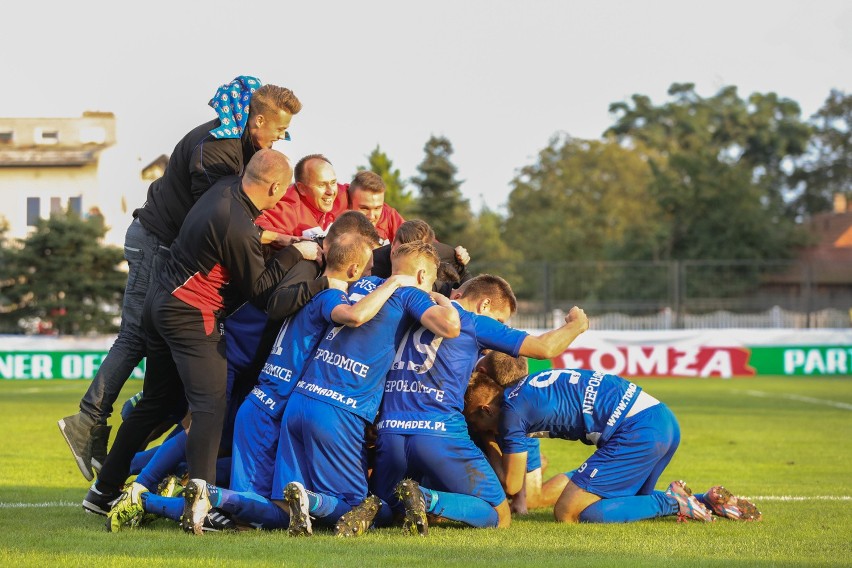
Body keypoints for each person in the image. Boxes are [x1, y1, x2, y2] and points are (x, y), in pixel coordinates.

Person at [59, 77, 302, 482]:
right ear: (258, 120)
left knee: (152, 348)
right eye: (278, 131)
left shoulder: (238, 142)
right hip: (155, 242)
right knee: (136, 335)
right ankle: (88, 421)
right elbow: (222, 225)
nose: (280, 140)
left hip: (165, 246)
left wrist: (273, 237)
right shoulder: (221, 155)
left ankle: (138, 425)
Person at [107, 231, 417, 534]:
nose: (368, 279)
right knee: (257, 511)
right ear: (353, 270)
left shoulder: (310, 289)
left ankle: (171, 484)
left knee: (257, 501)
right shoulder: (331, 297)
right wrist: (394, 283)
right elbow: (355, 315)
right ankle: (150, 499)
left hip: (264, 403)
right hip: (267, 410)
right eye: (367, 271)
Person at [83, 149, 299, 515]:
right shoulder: (238, 224)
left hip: (160, 300)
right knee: (210, 408)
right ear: (276, 187)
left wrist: (271, 237)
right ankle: (202, 505)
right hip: (191, 314)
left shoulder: (226, 190)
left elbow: (237, 235)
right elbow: (261, 292)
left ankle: (102, 492)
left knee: (156, 403)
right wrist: (298, 253)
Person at [370, 276, 589, 534]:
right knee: (499, 516)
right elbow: (544, 348)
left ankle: (374, 504)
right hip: (438, 432)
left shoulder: (412, 311)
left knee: (387, 508)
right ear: (485, 305)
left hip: (390, 430)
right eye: (499, 321)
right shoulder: (473, 323)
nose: (497, 330)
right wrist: (577, 324)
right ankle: (426, 498)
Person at [463, 365, 763, 524]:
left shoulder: (511, 417)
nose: (476, 430)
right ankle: (706, 500)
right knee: (625, 503)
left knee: (569, 513)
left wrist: (488, 442)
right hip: (662, 419)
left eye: (474, 423)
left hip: (636, 432)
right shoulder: (524, 388)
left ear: (486, 410)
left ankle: (672, 501)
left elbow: (513, 486)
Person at [346, 170, 405, 245]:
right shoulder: (333, 214)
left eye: (377, 208)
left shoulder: (390, 217)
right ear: (350, 204)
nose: (371, 216)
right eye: (364, 208)